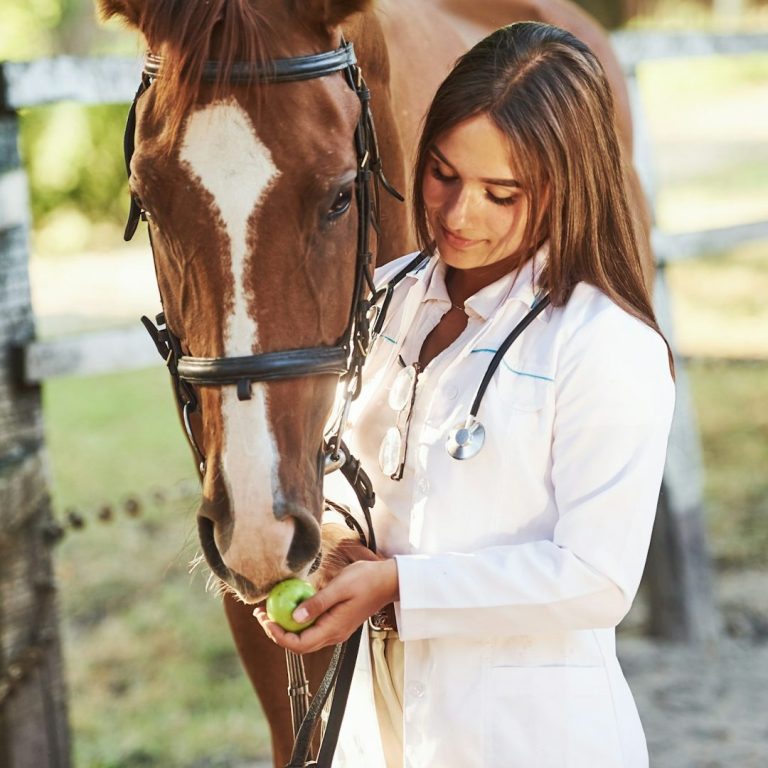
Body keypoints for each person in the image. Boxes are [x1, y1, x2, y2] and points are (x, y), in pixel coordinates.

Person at [255, 21, 675, 768]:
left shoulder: (604, 343)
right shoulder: (378, 301)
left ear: (565, 188)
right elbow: (346, 474)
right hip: (375, 722)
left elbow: (597, 577)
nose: (457, 215)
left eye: (500, 193)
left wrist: (399, 586)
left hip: (529, 739)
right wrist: (325, 553)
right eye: (443, 173)